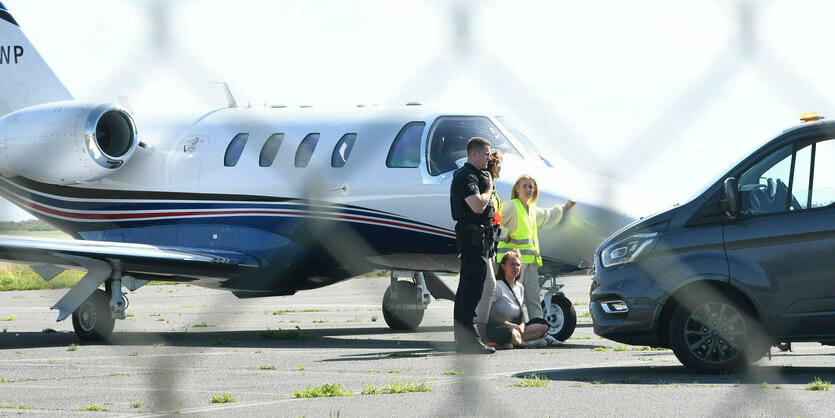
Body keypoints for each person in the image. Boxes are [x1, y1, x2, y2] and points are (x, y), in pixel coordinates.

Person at [497, 174, 576, 325]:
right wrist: (506, 237)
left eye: (531, 187)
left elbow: (548, 215)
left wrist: (564, 208)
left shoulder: (532, 209)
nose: (528, 189)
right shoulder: (511, 205)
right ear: (517, 189)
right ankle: (514, 332)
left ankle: (540, 332)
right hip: (513, 264)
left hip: (531, 263)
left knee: (533, 300)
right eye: (524, 186)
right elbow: (496, 223)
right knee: (513, 300)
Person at [450, 137, 496, 354]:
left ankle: (463, 340)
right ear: (474, 154)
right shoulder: (466, 176)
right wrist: (488, 187)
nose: (489, 157)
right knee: (471, 289)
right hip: (471, 236)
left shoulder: (477, 175)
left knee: (469, 287)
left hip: (479, 237)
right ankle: (468, 340)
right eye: (486, 154)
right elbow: (478, 206)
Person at [487, 249, 557, 348]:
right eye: (512, 264)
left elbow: (521, 315)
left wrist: (522, 326)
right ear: (503, 266)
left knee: (543, 325)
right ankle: (526, 343)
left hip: (516, 329)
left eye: (518, 265)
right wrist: (507, 324)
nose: (515, 268)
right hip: (500, 327)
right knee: (510, 332)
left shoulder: (520, 287)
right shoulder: (498, 286)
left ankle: (513, 342)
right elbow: (488, 314)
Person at [474, 149, 503, 344]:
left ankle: (483, 328)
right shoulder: (486, 184)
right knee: (489, 285)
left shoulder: (493, 188)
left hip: (492, 242)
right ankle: (480, 332)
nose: (501, 168)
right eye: (499, 164)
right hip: (482, 242)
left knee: (488, 287)